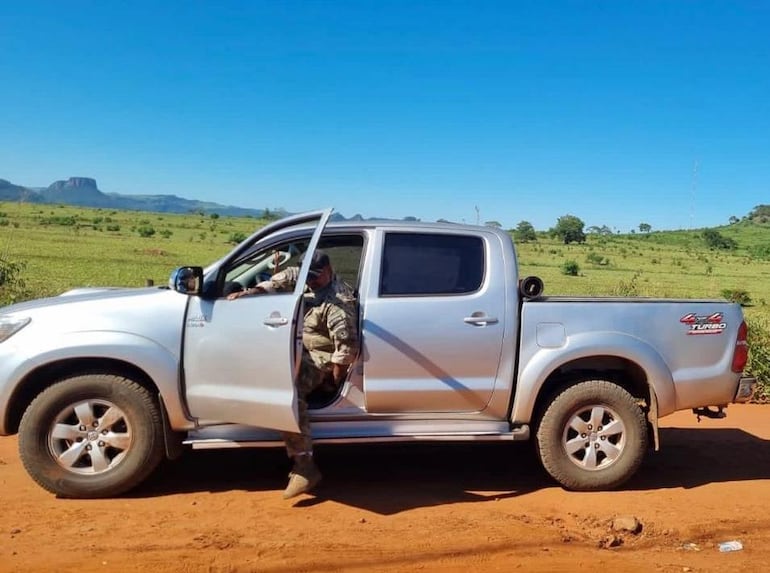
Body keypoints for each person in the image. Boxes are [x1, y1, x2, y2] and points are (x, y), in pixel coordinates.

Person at [227, 250, 359, 499]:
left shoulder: (338, 303)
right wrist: (249, 293)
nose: (311, 281)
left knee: (287, 391)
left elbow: (345, 351)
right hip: (297, 346)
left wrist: (333, 382)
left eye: (316, 277)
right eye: (308, 276)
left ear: (329, 271)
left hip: (320, 358)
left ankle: (305, 465)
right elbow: (282, 279)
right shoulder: (305, 275)